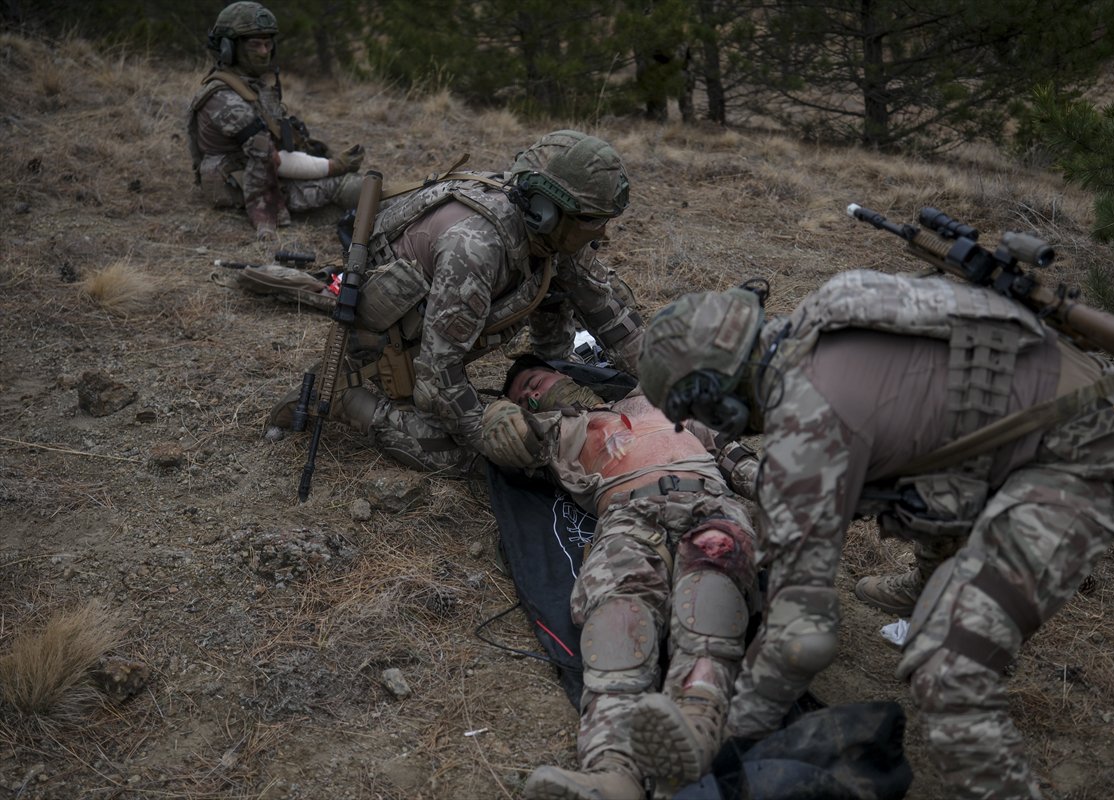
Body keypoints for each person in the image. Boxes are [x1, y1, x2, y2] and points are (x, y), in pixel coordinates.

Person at [636, 271, 1114, 799]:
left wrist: (737, 732)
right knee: (902, 477)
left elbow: (802, 640)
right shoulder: (829, 309)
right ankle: (936, 579)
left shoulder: (806, 436)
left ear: (717, 398)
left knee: (948, 670)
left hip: (1081, 460)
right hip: (1069, 401)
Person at [266, 130, 645, 477]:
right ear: (548, 211)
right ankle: (346, 399)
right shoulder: (476, 251)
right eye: (595, 220)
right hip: (391, 353)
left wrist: (671, 382)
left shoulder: (549, 227)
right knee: (482, 461)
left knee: (560, 278)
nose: (604, 232)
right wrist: (486, 427)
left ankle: (553, 362)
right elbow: (437, 378)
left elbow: (611, 315)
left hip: (438, 334)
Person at [480, 354, 761, 799]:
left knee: (709, 595)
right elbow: (502, 441)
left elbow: (734, 454)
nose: (531, 394)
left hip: (710, 502)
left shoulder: (659, 400)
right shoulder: (557, 430)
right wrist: (496, 416)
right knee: (616, 618)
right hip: (629, 515)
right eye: (524, 397)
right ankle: (612, 770)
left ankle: (695, 727)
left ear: (564, 374)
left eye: (533, 381)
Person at [186, 2, 365, 241]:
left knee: (360, 187)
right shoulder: (223, 97)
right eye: (255, 44)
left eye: (268, 44)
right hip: (242, 184)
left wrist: (322, 158)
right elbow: (268, 156)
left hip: (267, 172)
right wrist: (334, 166)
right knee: (355, 188)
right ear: (229, 48)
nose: (264, 52)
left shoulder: (251, 86)